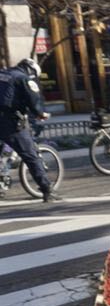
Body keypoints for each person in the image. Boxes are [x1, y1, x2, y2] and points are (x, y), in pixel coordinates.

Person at [0, 58, 60, 202]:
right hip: (11, 122)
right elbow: (33, 100)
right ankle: (47, 190)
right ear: (31, 70)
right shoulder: (23, 79)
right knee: (31, 155)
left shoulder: (3, 74)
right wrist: (41, 113)